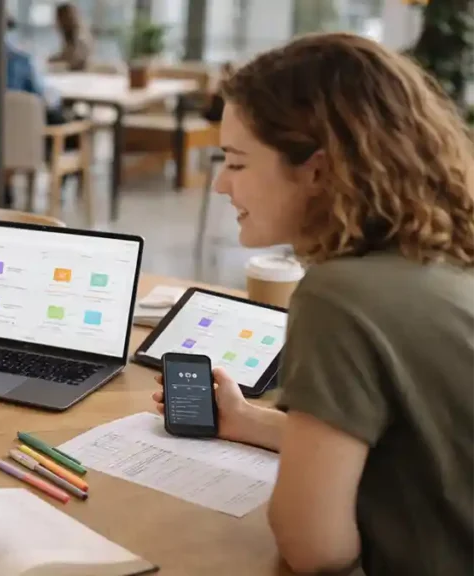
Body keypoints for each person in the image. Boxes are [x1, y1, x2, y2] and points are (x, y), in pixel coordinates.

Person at [152, 33, 474, 575]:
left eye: (236, 162)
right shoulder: (443, 256)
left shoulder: (340, 295)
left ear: (318, 171)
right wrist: (250, 422)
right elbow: (404, 445)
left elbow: (316, 550)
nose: (222, 186)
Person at [48, 2, 92, 71]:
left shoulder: (80, 36)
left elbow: (76, 60)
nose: (56, 22)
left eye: (58, 17)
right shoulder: (69, 36)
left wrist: (58, 59)